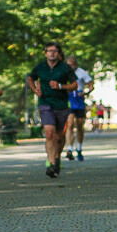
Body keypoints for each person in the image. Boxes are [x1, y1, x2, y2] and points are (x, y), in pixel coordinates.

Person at [28, 41, 77, 177]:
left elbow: (74, 85)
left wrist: (60, 86)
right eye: (49, 50)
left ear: (58, 53)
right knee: (49, 133)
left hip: (61, 104)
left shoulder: (65, 68)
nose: (52, 53)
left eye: (54, 51)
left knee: (59, 137)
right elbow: (30, 78)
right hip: (45, 103)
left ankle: (57, 158)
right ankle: (51, 164)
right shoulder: (40, 67)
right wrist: (35, 90)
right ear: (45, 53)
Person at [63, 54, 94, 161]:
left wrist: (85, 92)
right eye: (68, 65)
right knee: (70, 124)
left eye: (72, 65)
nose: (70, 67)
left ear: (76, 65)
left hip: (79, 100)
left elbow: (91, 85)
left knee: (79, 125)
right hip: (69, 100)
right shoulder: (64, 72)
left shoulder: (82, 72)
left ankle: (79, 148)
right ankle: (70, 149)